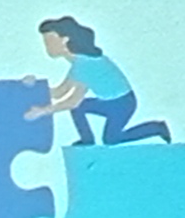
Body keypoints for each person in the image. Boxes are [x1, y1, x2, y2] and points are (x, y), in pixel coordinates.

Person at [23, 15, 156, 145]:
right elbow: (60, 91)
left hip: (122, 103)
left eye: (49, 42)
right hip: (109, 101)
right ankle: (87, 141)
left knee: (111, 139)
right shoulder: (80, 63)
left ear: (64, 40)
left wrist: (43, 111)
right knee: (80, 108)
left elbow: (73, 101)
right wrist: (34, 87)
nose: (47, 47)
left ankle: (157, 128)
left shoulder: (85, 65)